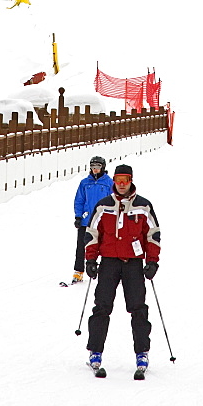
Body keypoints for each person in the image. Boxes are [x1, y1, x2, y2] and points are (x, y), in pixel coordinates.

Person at [85, 164, 160, 375]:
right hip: (109, 262)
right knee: (102, 307)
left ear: (131, 181)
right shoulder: (103, 206)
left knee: (138, 308)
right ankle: (95, 351)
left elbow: (152, 234)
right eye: (118, 180)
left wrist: (152, 261)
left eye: (125, 180)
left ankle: (142, 353)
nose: (121, 184)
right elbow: (92, 233)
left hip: (133, 264)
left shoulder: (143, 206)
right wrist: (91, 260)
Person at [70, 157, 114, 285]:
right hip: (86, 221)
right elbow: (79, 200)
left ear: (103, 168)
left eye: (98, 167)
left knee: (107, 247)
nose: (95, 169)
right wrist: (78, 216)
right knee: (81, 247)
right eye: (93, 167)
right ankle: (78, 272)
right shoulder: (85, 183)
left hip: (103, 221)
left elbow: (114, 200)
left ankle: (111, 272)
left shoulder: (108, 183)